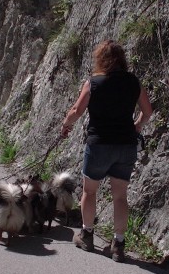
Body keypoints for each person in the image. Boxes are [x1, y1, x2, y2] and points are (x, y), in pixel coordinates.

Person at [61, 39, 153, 262]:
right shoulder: (134, 82)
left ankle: (87, 235)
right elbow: (148, 111)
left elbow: (77, 110)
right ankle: (118, 245)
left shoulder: (93, 83)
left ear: (100, 59)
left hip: (99, 145)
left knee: (89, 191)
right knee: (120, 196)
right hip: (126, 146)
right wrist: (137, 126)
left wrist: (66, 125)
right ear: (122, 59)